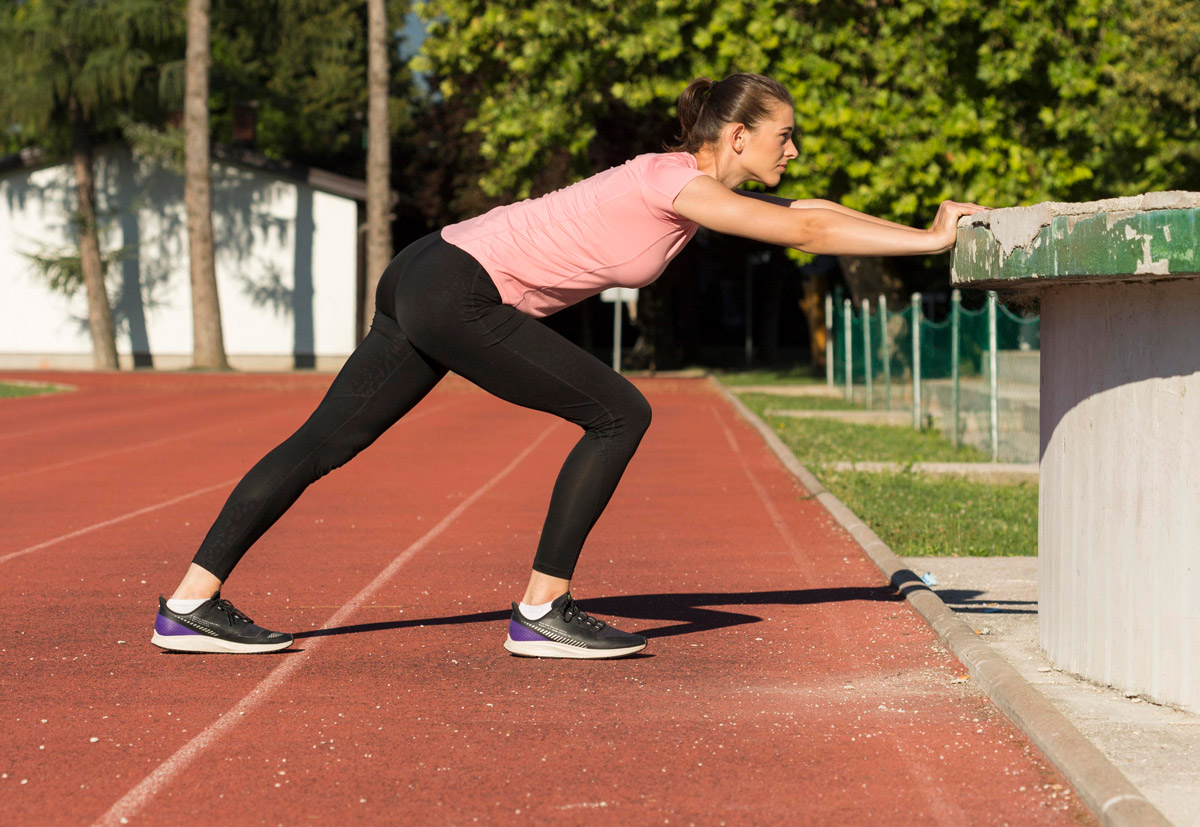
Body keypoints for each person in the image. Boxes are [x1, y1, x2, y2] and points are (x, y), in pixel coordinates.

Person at [150, 73, 985, 658]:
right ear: (737, 136)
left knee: (323, 443)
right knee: (621, 410)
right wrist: (930, 240)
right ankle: (543, 608)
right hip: (456, 287)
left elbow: (806, 213)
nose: (794, 150)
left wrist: (920, 229)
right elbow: (806, 232)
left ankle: (188, 602)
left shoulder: (685, 187)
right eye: (785, 134)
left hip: (425, 269)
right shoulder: (678, 184)